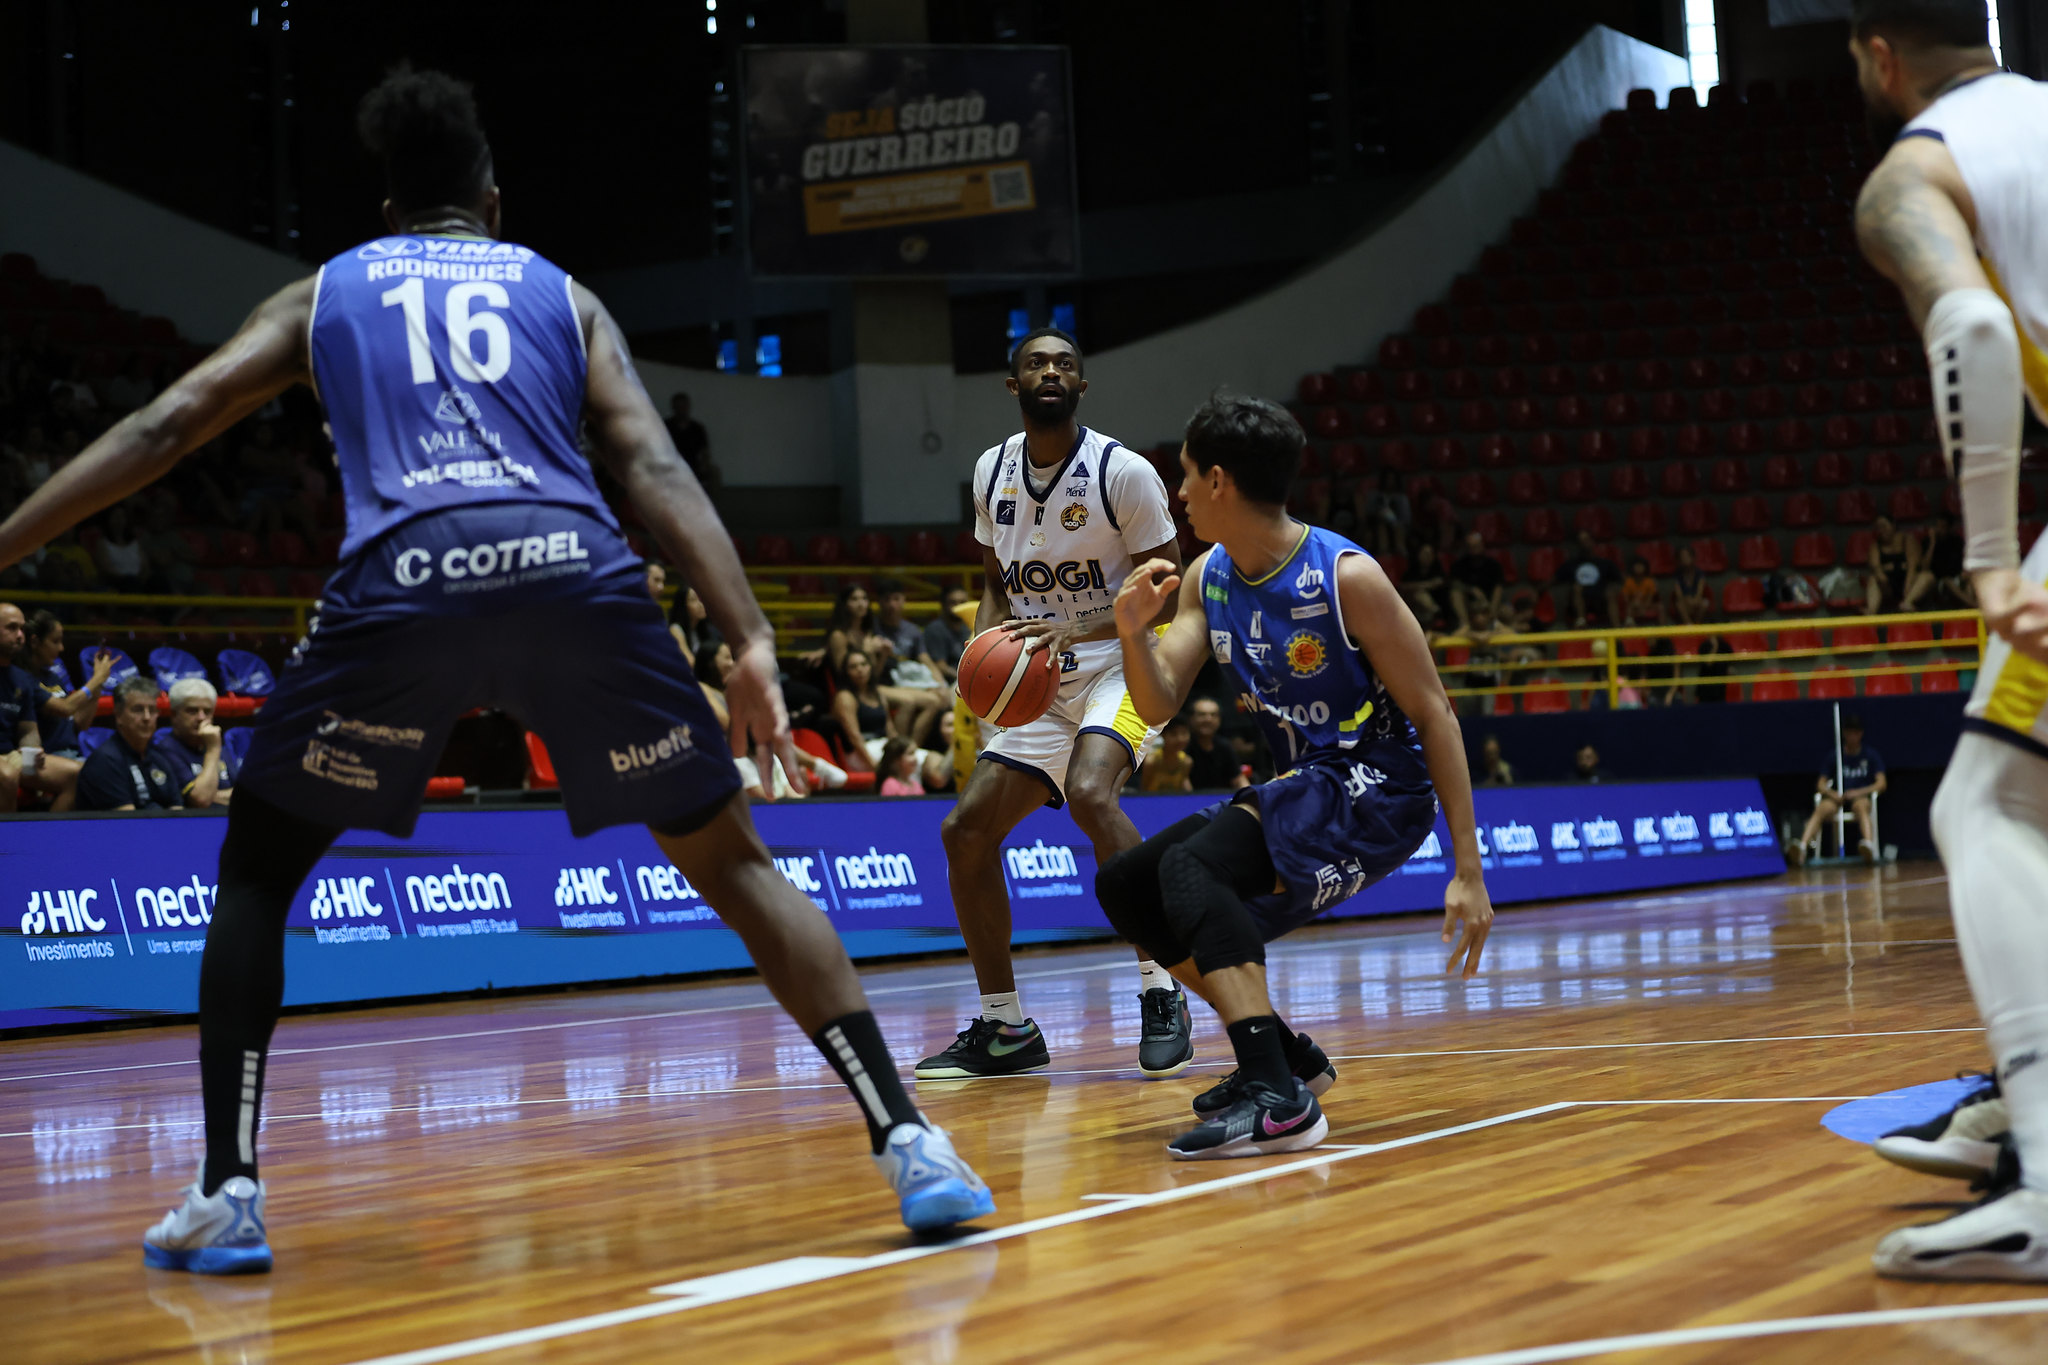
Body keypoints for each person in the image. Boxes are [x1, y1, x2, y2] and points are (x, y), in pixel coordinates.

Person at [0, 69, 990, 1270]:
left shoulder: (327, 294)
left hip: (405, 578)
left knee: (258, 871)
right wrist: (749, 637)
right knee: (733, 864)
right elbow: (652, 468)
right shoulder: (557, 295)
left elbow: (166, 425)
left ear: (386, 209)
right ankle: (912, 1143)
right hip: (575, 570)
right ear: (492, 201)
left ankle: (229, 1189)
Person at [1094, 392, 1492, 1159]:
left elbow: (1436, 713)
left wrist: (1467, 867)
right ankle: (1287, 1059)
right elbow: (1157, 700)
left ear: (1218, 480)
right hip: (1307, 781)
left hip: (1380, 786)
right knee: (1130, 884)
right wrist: (1129, 633)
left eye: (1182, 475)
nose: (1175, 493)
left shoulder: (1347, 577)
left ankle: (1279, 1099)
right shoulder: (1209, 574)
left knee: (1194, 864)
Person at [1846, 0, 2048, 1279]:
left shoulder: (1913, 170)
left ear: (1875, 54)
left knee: (1983, 807)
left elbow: (1969, 330)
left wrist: (1983, 559)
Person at [922, 325, 1195, 1083]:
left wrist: (1074, 624)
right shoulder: (990, 471)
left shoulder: (1122, 471)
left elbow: (1167, 593)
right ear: (1013, 386)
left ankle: (1162, 986)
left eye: (1065, 364)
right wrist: (984, 661)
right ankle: (1005, 1027)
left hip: (1123, 662)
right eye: (1036, 363)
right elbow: (993, 582)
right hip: (1037, 679)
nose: (1051, 371)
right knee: (965, 830)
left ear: (1082, 386)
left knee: (1088, 792)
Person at [6, 604, 92, 809]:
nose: (61, 648)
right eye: (11, 628)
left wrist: (32, 748)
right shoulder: (25, 678)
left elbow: (79, 722)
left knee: (93, 774)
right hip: (47, 754)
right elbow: (65, 708)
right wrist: (95, 681)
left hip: (25, 754)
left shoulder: (38, 678)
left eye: (21, 629)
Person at [1788, 713, 1886, 865]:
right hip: (1837, 798)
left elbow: (1881, 783)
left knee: (1862, 806)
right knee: (1822, 808)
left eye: (1856, 732)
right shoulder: (1835, 755)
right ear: (1844, 733)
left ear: (1861, 734)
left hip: (1859, 797)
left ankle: (1868, 846)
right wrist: (1832, 794)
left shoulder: (1870, 755)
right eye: (1849, 732)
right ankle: (1802, 847)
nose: (1852, 736)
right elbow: (1820, 784)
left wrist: (1859, 792)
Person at [75, 676, 182, 811]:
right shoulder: (105, 761)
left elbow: (177, 811)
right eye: (138, 710)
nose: (147, 717)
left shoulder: (159, 759)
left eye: (152, 710)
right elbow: (127, 823)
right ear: (118, 715)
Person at [151, 678, 236, 808]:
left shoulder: (220, 748)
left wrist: (211, 795)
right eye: (192, 711)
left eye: (207, 712)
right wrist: (212, 750)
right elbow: (200, 799)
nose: (201, 717)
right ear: (174, 715)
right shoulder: (165, 750)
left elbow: (243, 796)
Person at [830, 648, 894, 770]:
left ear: (870, 667)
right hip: (861, 752)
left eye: (863, 664)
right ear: (846, 672)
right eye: (853, 667)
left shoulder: (878, 694)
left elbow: (890, 728)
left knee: (916, 758)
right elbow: (854, 737)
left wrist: (901, 746)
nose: (860, 670)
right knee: (901, 763)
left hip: (883, 744)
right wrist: (873, 764)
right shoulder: (845, 697)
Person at [1559, 530, 1622, 627]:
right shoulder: (1572, 564)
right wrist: (1536, 591)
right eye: (1581, 541)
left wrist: (1613, 589)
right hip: (1578, 602)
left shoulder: (1604, 563)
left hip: (1601, 602)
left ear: (1593, 541)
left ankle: (1617, 629)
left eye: (1586, 539)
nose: (1584, 543)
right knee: (1576, 588)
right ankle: (1581, 622)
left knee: (1610, 593)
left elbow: (1620, 581)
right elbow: (1554, 579)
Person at [1186, 694, 1247, 790]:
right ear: (1191, 718)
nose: (1208, 719)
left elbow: (1239, 779)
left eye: (1213, 715)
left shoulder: (1225, 746)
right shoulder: (1182, 747)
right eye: (1202, 714)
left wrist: (1250, 797)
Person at [1865, 514, 1924, 613]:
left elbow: (1913, 565)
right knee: (1873, 579)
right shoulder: (1875, 546)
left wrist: (1908, 584)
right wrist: (1882, 577)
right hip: (1888, 585)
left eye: (1884, 526)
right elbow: (1876, 567)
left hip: (1910, 583)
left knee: (1927, 576)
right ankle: (1871, 611)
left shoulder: (1907, 540)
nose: (1881, 530)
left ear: (1893, 525)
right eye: (1878, 528)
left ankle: (1907, 603)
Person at [1447, 530, 1504, 632]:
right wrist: (1471, 589)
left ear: (1483, 545)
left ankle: (1492, 620)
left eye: (1477, 546)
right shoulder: (1459, 565)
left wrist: (1491, 609)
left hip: (1488, 602)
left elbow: (1498, 587)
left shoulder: (1493, 565)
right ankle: (1465, 625)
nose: (1474, 549)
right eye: (1471, 546)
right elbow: (1454, 584)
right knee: (1455, 593)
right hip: (1468, 603)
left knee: (1507, 611)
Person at [663, 391, 717, 491]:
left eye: (684, 406)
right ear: (673, 408)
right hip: (671, 464)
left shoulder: (697, 428)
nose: (681, 410)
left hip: (693, 465)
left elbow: (705, 451)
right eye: (678, 407)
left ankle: (708, 504)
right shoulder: (666, 426)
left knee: (714, 472)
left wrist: (704, 465)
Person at [921, 584, 972, 685]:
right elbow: (941, 666)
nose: (959, 606)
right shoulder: (935, 629)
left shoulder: (969, 628)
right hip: (944, 682)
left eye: (963, 602)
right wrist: (965, 678)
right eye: (953, 602)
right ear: (943, 604)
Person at [1140, 715, 1196, 793]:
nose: (1180, 739)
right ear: (1163, 735)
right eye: (1173, 734)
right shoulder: (1151, 761)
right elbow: (1143, 791)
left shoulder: (1186, 762)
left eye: (1184, 733)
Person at [1399, 540, 1447, 629]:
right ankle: (1435, 611)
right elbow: (1403, 586)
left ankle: (1436, 615)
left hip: (1438, 604)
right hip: (1414, 608)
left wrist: (1418, 586)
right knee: (1419, 594)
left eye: (1430, 554)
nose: (1427, 557)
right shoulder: (1412, 570)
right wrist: (1427, 585)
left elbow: (1441, 583)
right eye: (1425, 554)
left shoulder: (1437, 570)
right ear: (1419, 554)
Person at [1670, 544, 1714, 625]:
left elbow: (1699, 592)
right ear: (1678, 559)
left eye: (1687, 556)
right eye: (1682, 556)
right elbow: (1679, 595)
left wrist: (1694, 601)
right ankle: (1689, 625)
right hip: (1685, 603)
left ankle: (1697, 625)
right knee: (1679, 605)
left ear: (1693, 557)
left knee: (1704, 603)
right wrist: (1687, 601)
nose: (1685, 558)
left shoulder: (1699, 574)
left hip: (1696, 602)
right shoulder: (1677, 575)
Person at [1620, 556, 1661, 625]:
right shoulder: (1628, 582)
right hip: (1633, 605)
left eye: (1641, 566)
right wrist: (1635, 603)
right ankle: (1630, 626)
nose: (1639, 568)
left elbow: (1650, 598)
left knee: (1660, 607)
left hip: (1646, 604)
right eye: (1637, 566)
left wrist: (1643, 607)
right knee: (1632, 605)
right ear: (1632, 568)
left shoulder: (1649, 581)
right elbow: (1626, 599)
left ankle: (1662, 631)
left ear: (1645, 568)